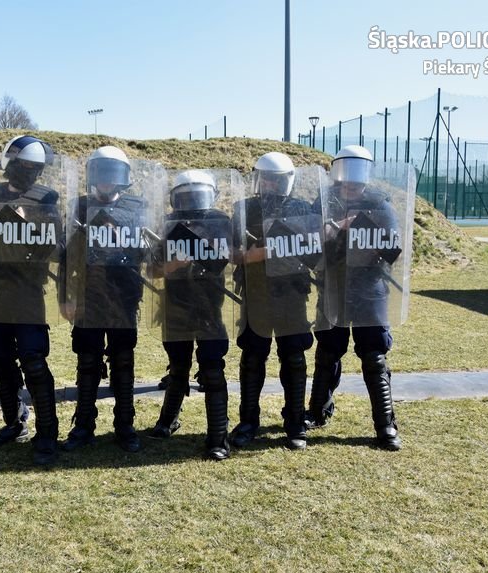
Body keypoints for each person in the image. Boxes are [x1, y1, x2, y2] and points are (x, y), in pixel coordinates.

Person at [0, 135, 62, 466]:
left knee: (33, 360)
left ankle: (47, 433)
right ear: (9, 164)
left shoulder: (47, 198)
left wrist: (28, 226)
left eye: (34, 168)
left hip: (27, 291)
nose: (28, 172)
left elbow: (56, 247)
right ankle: (13, 422)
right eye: (23, 165)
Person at [307, 145, 402, 451]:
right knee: (328, 351)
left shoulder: (379, 203)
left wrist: (368, 234)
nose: (350, 181)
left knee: (374, 356)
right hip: (334, 285)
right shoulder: (324, 201)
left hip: (368, 288)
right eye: (346, 174)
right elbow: (308, 239)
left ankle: (385, 424)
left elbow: (393, 247)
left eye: (357, 174)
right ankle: (317, 411)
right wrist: (336, 228)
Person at [58, 146, 149, 453]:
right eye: (101, 174)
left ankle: (125, 425)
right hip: (89, 295)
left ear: (122, 177)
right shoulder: (80, 206)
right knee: (87, 361)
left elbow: (148, 250)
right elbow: (66, 255)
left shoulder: (137, 207)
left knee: (123, 361)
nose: (106, 181)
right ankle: (83, 425)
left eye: (112, 174)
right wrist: (65, 297)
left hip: (124, 296)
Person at [230, 152, 319, 450]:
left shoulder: (303, 209)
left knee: (294, 357)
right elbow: (231, 253)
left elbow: (315, 252)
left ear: (286, 182)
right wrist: (251, 255)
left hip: (292, 293)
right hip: (256, 293)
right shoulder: (243, 208)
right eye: (265, 178)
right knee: (253, 357)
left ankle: (295, 422)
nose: (269, 184)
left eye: (275, 180)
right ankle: (247, 422)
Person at [148, 170, 233, 460]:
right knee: (178, 366)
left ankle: (218, 436)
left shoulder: (221, 222)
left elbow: (233, 257)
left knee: (212, 367)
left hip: (209, 306)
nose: (193, 202)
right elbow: (152, 270)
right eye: (187, 196)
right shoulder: (167, 224)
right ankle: (167, 420)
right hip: (176, 305)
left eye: (197, 195)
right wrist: (173, 265)